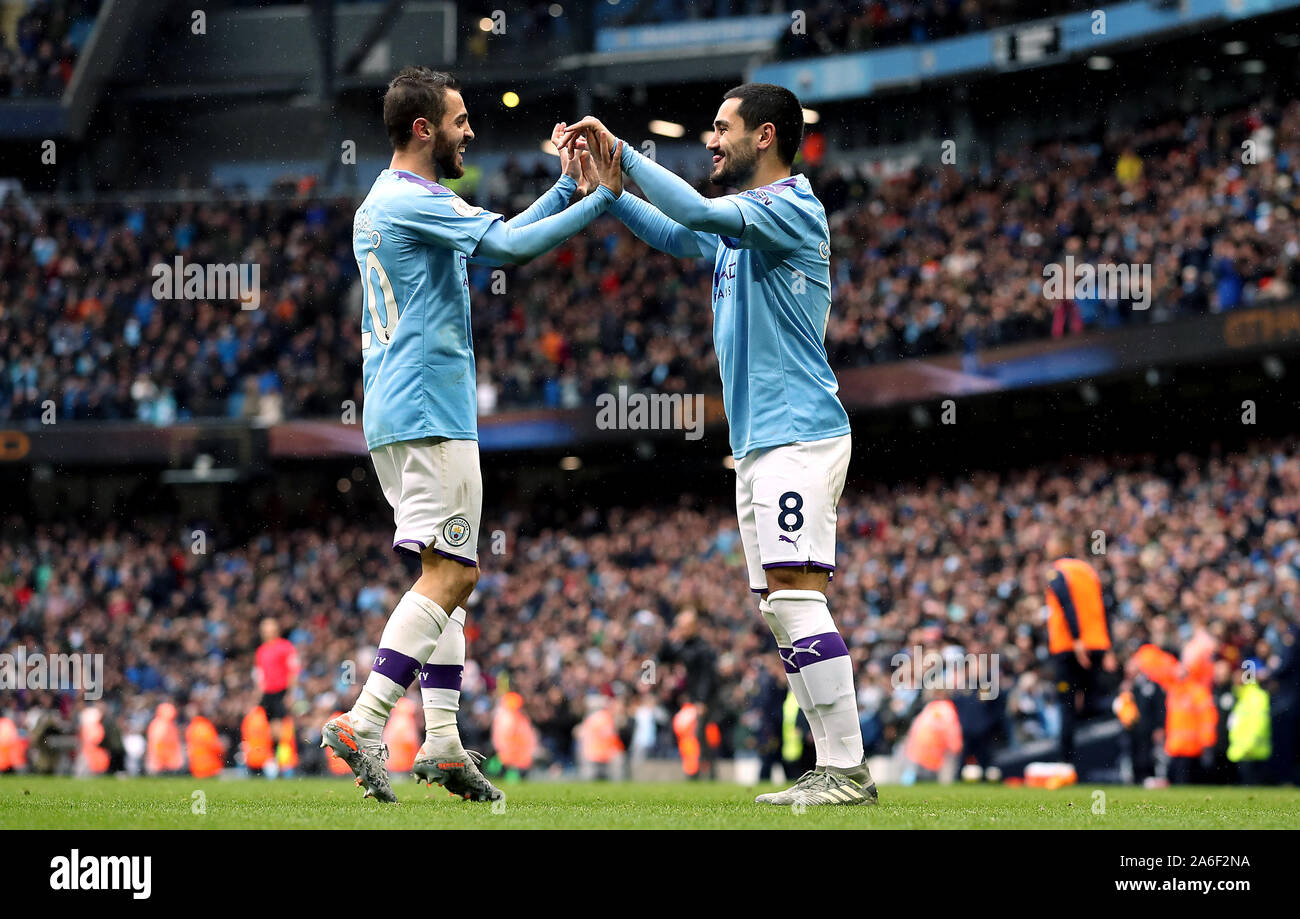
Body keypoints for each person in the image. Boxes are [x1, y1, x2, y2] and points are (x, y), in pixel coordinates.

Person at [560, 83, 875, 806]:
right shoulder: (742, 225)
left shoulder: (790, 205)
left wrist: (625, 154)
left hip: (797, 432)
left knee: (796, 598)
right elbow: (681, 232)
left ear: (764, 136)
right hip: (761, 443)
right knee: (778, 603)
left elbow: (696, 211)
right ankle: (833, 768)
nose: (709, 139)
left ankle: (849, 770)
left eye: (720, 127)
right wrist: (606, 191)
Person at [320, 66, 624, 803]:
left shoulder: (384, 201)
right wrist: (603, 200)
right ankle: (366, 718)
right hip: (432, 409)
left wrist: (564, 187)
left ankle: (446, 742)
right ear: (424, 128)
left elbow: (496, 233)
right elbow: (510, 252)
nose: (470, 131)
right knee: (455, 574)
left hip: (396, 410)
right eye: (458, 120)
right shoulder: (417, 200)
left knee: (442, 569)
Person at [1043, 533, 1112, 771]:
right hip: (1097, 644)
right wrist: (1107, 645)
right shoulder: (1089, 571)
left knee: (1067, 704)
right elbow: (1103, 608)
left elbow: (1066, 602)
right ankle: (1104, 755)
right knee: (1093, 700)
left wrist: (1077, 638)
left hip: (1070, 647)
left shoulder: (1058, 570)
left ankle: (1067, 763)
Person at [254, 617, 299, 762]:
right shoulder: (261, 651)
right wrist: (257, 695)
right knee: (270, 729)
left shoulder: (286, 647)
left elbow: (293, 670)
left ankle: (283, 762)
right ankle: (274, 760)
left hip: (282, 691)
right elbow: (260, 675)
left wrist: (291, 693)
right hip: (268, 694)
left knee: (281, 729)